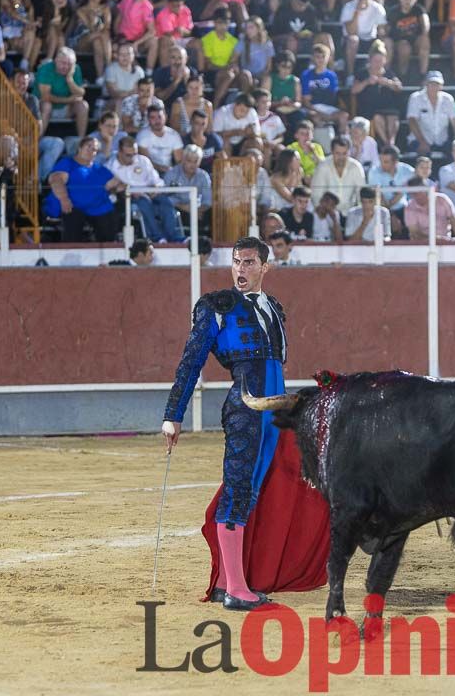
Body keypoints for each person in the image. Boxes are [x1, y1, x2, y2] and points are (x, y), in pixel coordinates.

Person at [164, 233, 329, 609]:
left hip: (273, 412)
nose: (241, 268)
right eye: (236, 261)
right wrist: (173, 415)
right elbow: (191, 361)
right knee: (239, 489)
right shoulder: (218, 306)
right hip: (246, 408)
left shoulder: (274, 307)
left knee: (252, 490)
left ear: (265, 267)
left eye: (249, 262)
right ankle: (237, 590)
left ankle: (227, 582)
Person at [45, 135, 121, 242]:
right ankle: (71, 252)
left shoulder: (98, 168)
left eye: (94, 149)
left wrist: (115, 189)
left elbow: (117, 184)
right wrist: (64, 199)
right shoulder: (68, 163)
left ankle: (109, 251)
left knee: (109, 216)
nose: (91, 150)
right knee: (73, 216)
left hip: (97, 207)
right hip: (72, 206)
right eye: (88, 146)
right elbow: (56, 180)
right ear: (80, 148)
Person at [109, 137, 183, 243]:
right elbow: (112, 189)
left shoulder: (143, 160)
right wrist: (125, 191)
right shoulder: (111, 166)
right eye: (128, 155)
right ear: (120, 152)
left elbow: (158, 181)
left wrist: (155, 189)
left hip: (150, 193)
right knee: (143, 202)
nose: (132, 158)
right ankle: (157, 237)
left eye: (134, 154)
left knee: (165, 201)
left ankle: (175, 237)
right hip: (129, 198)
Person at [311, 136, 365, 212]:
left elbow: (361, 193)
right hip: (326, 214)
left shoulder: (356, 167)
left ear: (349, 152)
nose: (341, 157)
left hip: (349, 214)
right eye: (338, 153)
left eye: (344, 153)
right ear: (332, 152)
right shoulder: (322, 167)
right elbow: (316, 195)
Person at [163, 144, 212, 227]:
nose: (192, 165)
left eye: (195, 161)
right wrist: (184, 207)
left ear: (200, 162)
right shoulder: (171, 174)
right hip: (178, 209)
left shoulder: (203, 175)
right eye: (189, 161)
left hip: (198, 209)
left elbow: (207, 200)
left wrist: (196, 210)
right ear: (183, 160)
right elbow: (165, 198)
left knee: (213, 212)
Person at [403, 176, 455, 241]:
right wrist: (435, 240)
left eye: (419, 192)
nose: (417, 196)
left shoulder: (443, 199)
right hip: (422, 245)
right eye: (414, 194)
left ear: (426, 190)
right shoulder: (409, 207)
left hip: (446, 243)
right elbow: (414, 233)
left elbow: (454, 221)